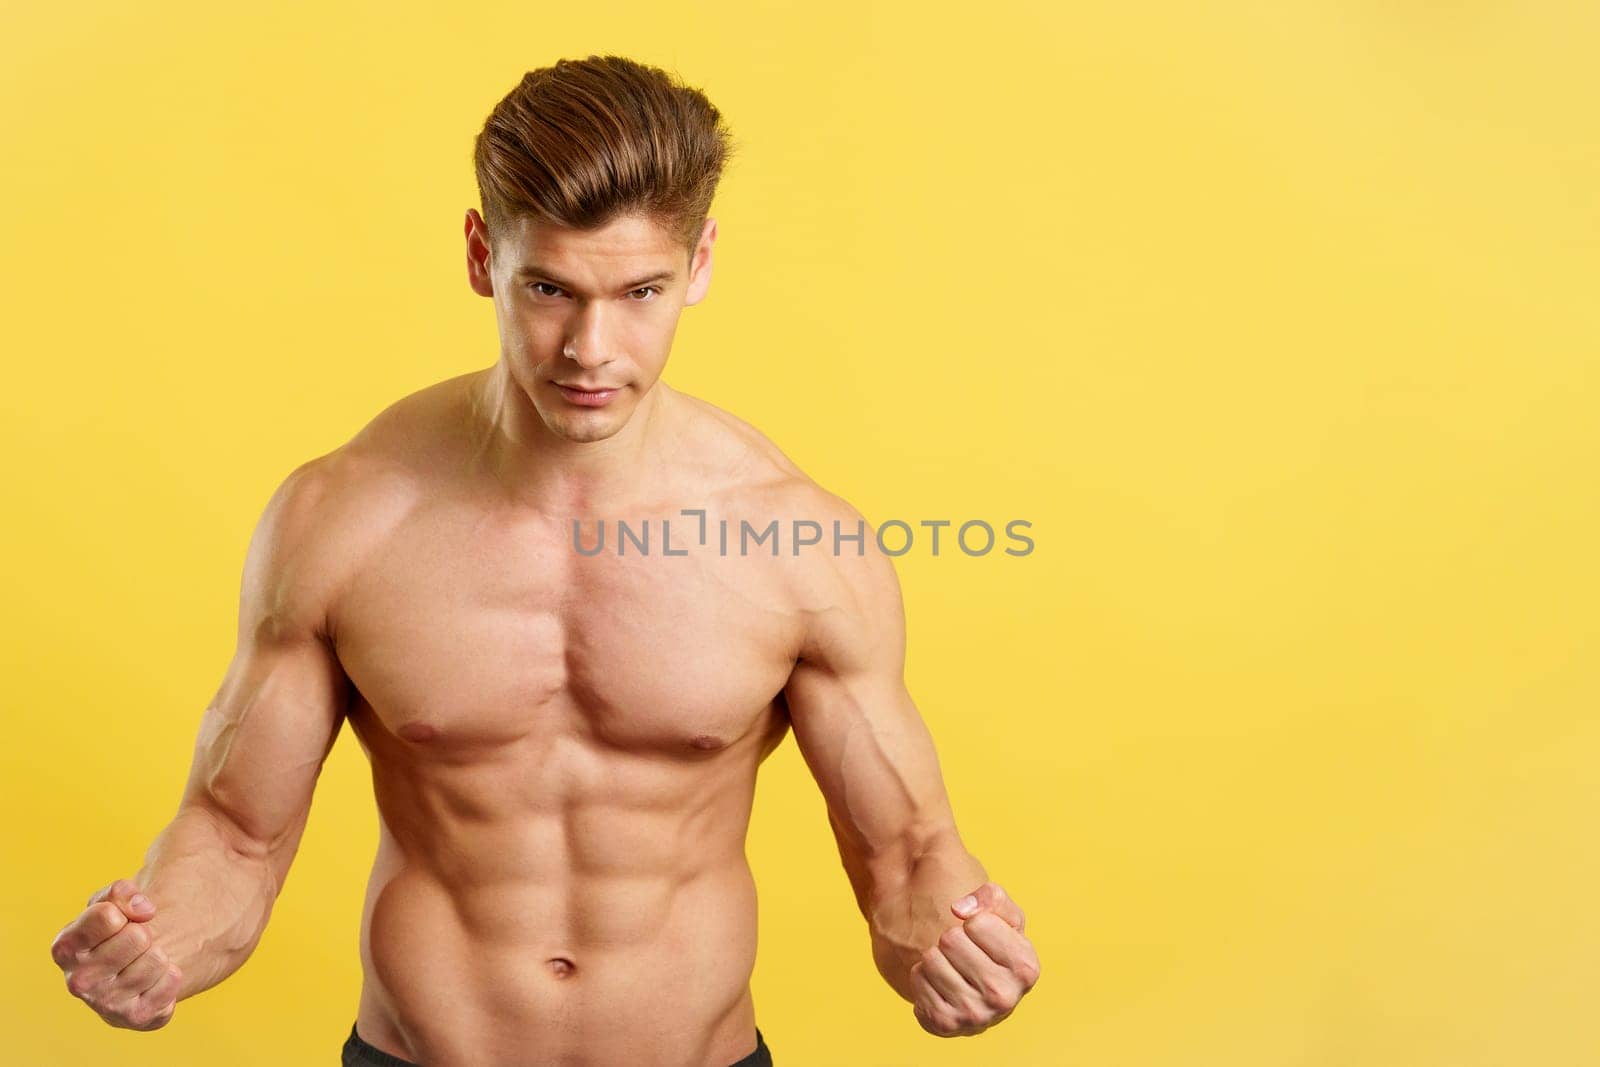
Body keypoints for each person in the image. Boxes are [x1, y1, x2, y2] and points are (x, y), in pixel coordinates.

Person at [48, 54, 1040, 1066]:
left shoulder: (796, 543)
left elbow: (906, 857)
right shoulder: (342, 518)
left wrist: (952, 949)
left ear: (699, 265)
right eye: (549, 289)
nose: (590, 349)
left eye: (640, 291)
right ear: (483, 255)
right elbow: (233, 835)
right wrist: (159, 937)